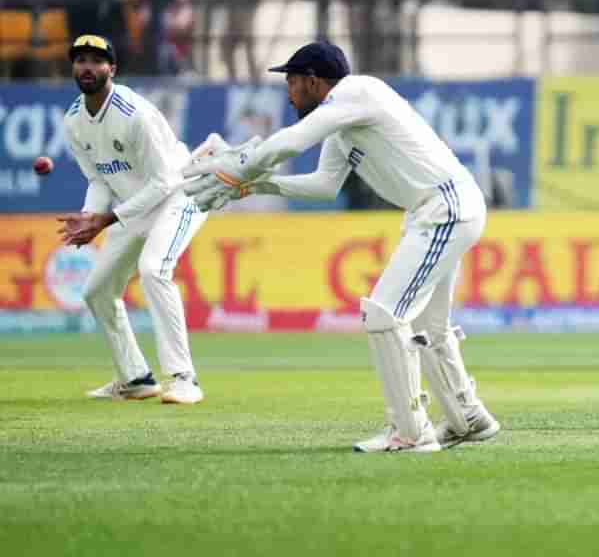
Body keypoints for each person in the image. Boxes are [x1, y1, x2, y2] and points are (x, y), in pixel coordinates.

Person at [181, 41, 500, 453]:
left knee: (384, 314)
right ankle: (468, 417)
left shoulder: (356, 93)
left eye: (292, 83)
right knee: (427, 327)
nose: (289, 94)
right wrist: (256, 183)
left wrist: (240, 166)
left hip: (445, 208)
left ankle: (409, 432)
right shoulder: (342, 121)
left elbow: (290, 143)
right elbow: (324, 185)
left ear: (313, 81)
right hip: (436, 211)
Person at [57, 35, 208, 404]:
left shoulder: (134, 114)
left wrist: (105, 220)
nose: (87, 67)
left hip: (182, 194)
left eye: (97, 60)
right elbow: (98, 178)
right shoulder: (74, 120)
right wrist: (88, 217)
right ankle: (135, 378)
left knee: (155, 268)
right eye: (80, 60)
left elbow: (166, 180)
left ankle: (184, 378)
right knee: (97, 291)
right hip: (134, 205)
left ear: (113, 69)